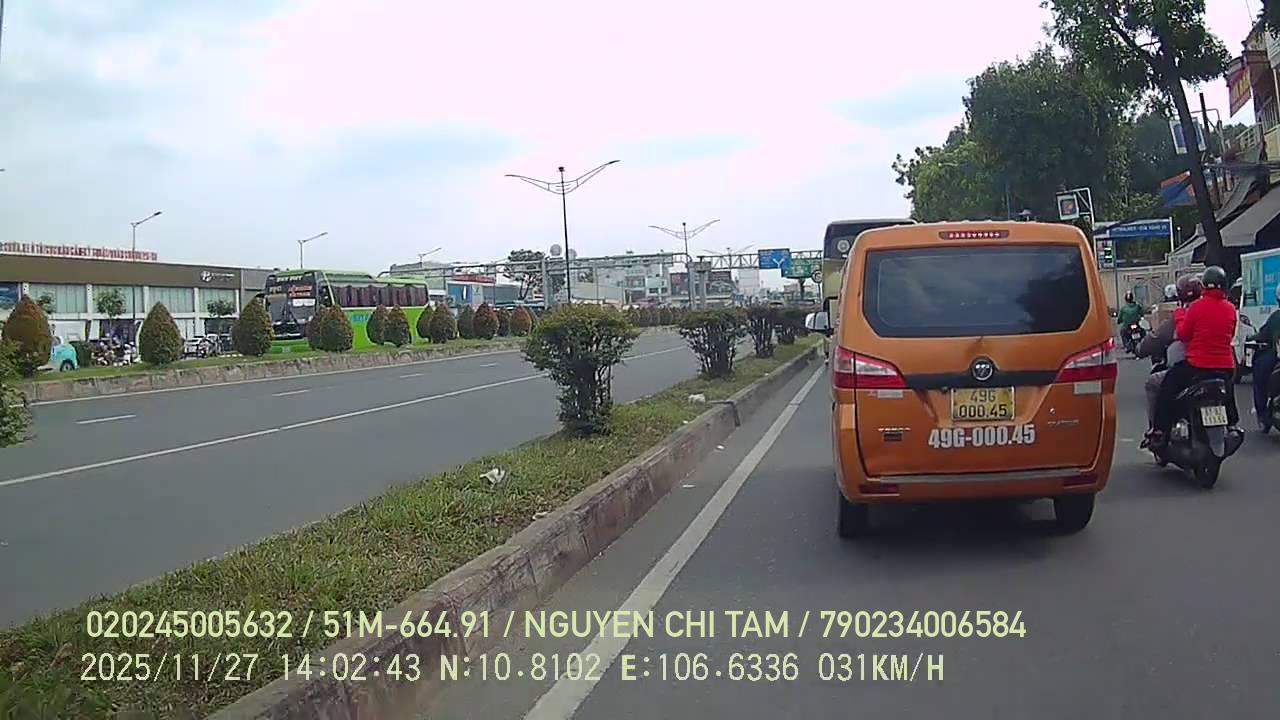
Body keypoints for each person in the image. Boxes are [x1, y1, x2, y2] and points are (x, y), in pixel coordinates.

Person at [1151, 266, 1240, 443]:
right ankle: (1232, 424)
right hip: (1225, 367)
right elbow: (1230, 335)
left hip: (1198, 366)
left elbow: (1183, 335)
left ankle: (1160, 430)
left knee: (1167, 386)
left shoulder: (1196, 308)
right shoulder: (1230, 309)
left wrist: (1179, 317)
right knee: (1228, 393)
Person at [1137, 279, 1196, 439]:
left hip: (1191, 366)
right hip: (1220, 367)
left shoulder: (1180, 315)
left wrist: (1140, 349)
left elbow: (1157, 338)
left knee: (1154, 383)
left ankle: (1158, 430)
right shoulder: (1218, 309)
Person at [1249, 283, 1280, 432]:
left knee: (1260, 371)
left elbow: (1263, 335)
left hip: (1275, 357)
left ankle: (1262, 412)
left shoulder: (1276, 317)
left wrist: (1251, 337)